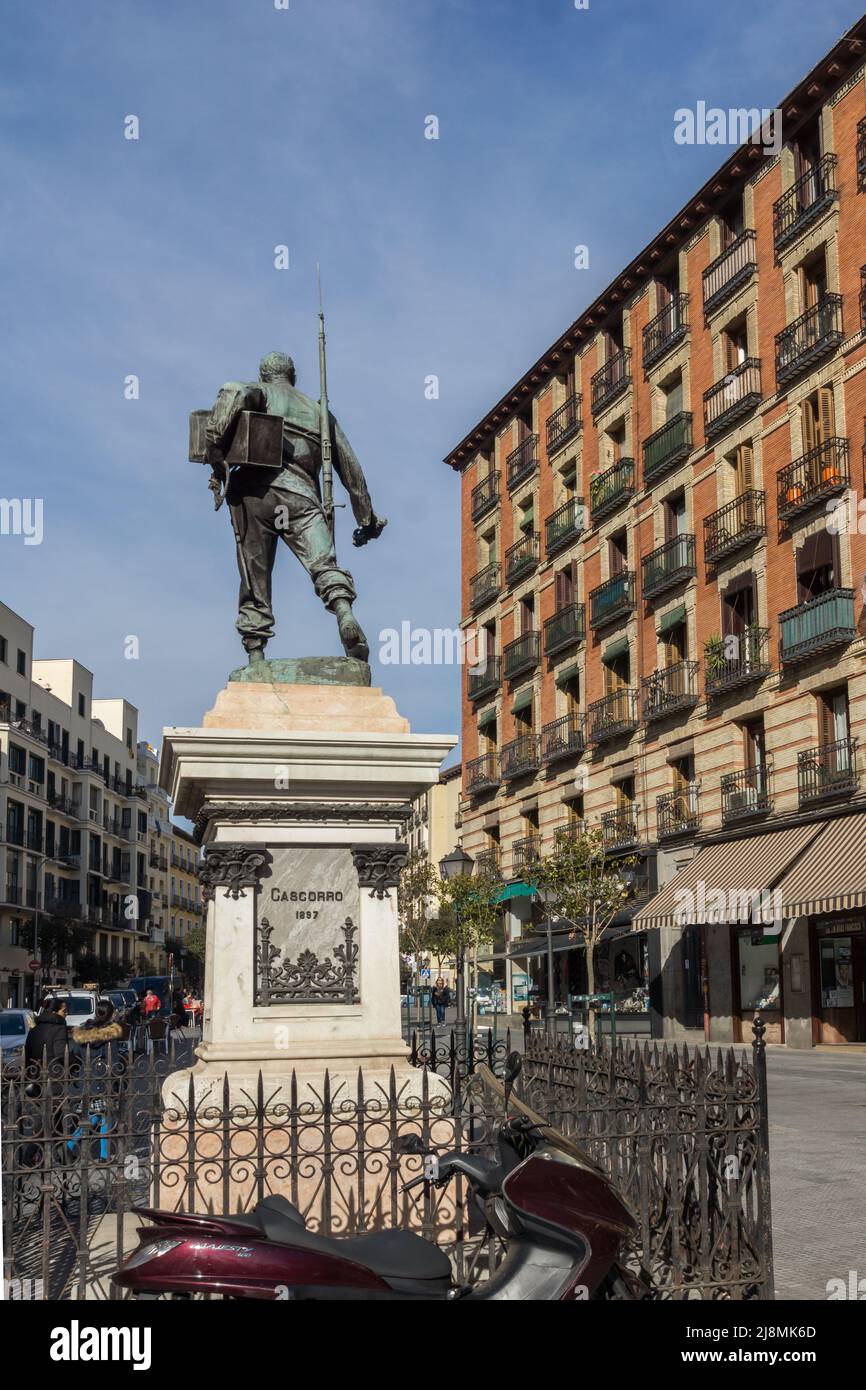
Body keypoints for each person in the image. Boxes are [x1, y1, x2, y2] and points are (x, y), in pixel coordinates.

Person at [205, 351, 387, 665]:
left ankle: (256, 653)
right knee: (324, 564)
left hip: (254, 496)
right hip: (301, 497)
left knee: (255, 576)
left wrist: (215, 441)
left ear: (265, 375)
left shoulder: (259, 392)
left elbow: (235, 389)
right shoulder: (320, 412)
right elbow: (351, 470)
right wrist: (367, 518)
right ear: (293, 377)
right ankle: (343, 611)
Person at [24, 997, 69, 1070]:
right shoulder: (59, 1029)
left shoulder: (34, 1030)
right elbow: (61, 1054)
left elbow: (27, 1054)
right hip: (55, 1073)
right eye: (64, 1011)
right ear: (54, 1013)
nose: (67, 1013)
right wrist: (75, 1062)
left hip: (35, 1073)